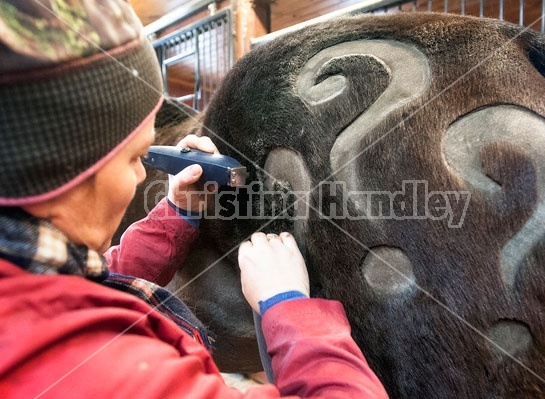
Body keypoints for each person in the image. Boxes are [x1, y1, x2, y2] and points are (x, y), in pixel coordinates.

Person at [0, 1, 389, 398]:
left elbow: (108, 275)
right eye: (135, 158)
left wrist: (177, 212)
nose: (139, 175)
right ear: (61, 176)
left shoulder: (26, 275)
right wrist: (288, 307)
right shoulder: (116, 374)